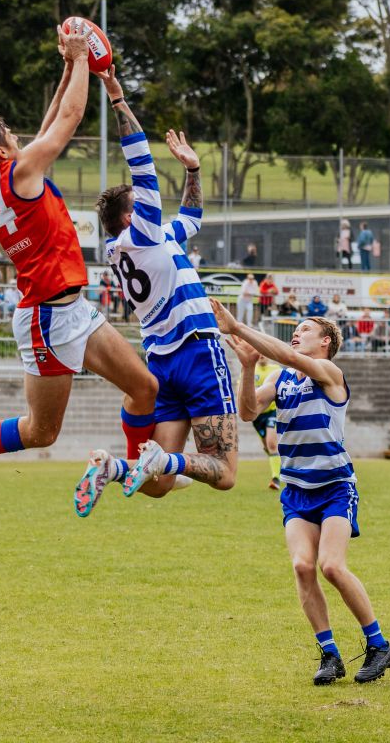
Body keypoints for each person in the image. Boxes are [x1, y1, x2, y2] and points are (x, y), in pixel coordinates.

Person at [0, 34, 158, 501]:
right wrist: (84, 59)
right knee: (42, 432)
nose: (21, 139)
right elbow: (68, 119)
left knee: (145, 386)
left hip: (72, 309)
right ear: (4, 153)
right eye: (11, 138)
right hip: (46, 318)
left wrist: (67, 71)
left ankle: (135, 473)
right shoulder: (20, 175)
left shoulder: (2, 181)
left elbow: (44, 130)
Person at [75, 66, 237, 516]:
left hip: (162, 359)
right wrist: (117, 98)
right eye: (139, 203)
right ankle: (158, 457)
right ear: (131, 216)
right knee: (224, 474)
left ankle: (111, 467)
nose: (147, 201)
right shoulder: (145, 235)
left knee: (160, 482)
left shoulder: (128, 244)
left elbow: (193, 218)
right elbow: (141, 162)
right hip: (198, 352)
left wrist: (193, 170)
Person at [218, 303, 390, 686]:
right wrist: (248, 367)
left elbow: (282, 352)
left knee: (331, 566)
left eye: (304, 330)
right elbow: (248, 412)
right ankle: (330, 654)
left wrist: (237, 326)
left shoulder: (329, 372)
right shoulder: (282, 378)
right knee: (302, 566)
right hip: (297, 489)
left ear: (326, 341)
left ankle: (379, 644)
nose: (296, 334)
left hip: (335, 487)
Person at [250, 355, 283, 490]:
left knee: (271, 444)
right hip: (257, 415)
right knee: (267, 447)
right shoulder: (250, 371)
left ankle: (276, 478)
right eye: (258, 353)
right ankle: (278, 465)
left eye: (263, 353)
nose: (261, 355)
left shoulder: (276, 370)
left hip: (272, 411)